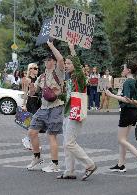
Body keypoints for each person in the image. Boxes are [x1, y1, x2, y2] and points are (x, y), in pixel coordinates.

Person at [56, 40, 97, 180]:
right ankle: (70, 171)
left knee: (69, 143)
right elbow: (67, 97)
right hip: (68, 113)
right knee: (66, 144)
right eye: (65, 63)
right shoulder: (70, 80)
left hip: (76, 113)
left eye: (68, 63)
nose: (66, 65)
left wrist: (72, 48)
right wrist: (58, 94)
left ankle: (90, 165)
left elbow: (79, 68)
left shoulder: (79, 77)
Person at [26, 40, 65, 173]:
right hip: (43, 108)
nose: (47, 62)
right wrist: (31, 88)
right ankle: (37, 158)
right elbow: (34, 92)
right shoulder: (42, 76)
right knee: (31, 132)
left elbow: (61, 59)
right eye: (45, 60)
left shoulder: (59, 72)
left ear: (53, 62)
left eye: (49, 60)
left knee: (51, 135)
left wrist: (51, 46)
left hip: (56, 107)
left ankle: (55, 164)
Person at [105, 61, 137, 173]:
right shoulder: (136, 82)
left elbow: (126, 99)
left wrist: (111, 95)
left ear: (128, 70)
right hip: (134, 114)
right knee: (123, 140)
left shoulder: (127, 82)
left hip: (126, 112)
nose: (122, 70)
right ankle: (121, 165)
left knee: (121, 139)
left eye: (124, 68)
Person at [21, 63, 41, 150]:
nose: (37, 70)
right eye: (35, 68)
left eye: (37, 68)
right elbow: (25, 92)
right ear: (30, 69)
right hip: (31, 101)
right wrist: (24, 104)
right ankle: (28, 140)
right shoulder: (28, 80)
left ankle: (30, 141)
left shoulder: (38, 78)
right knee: (33, 123)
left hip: (37, 102)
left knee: (36, 124)